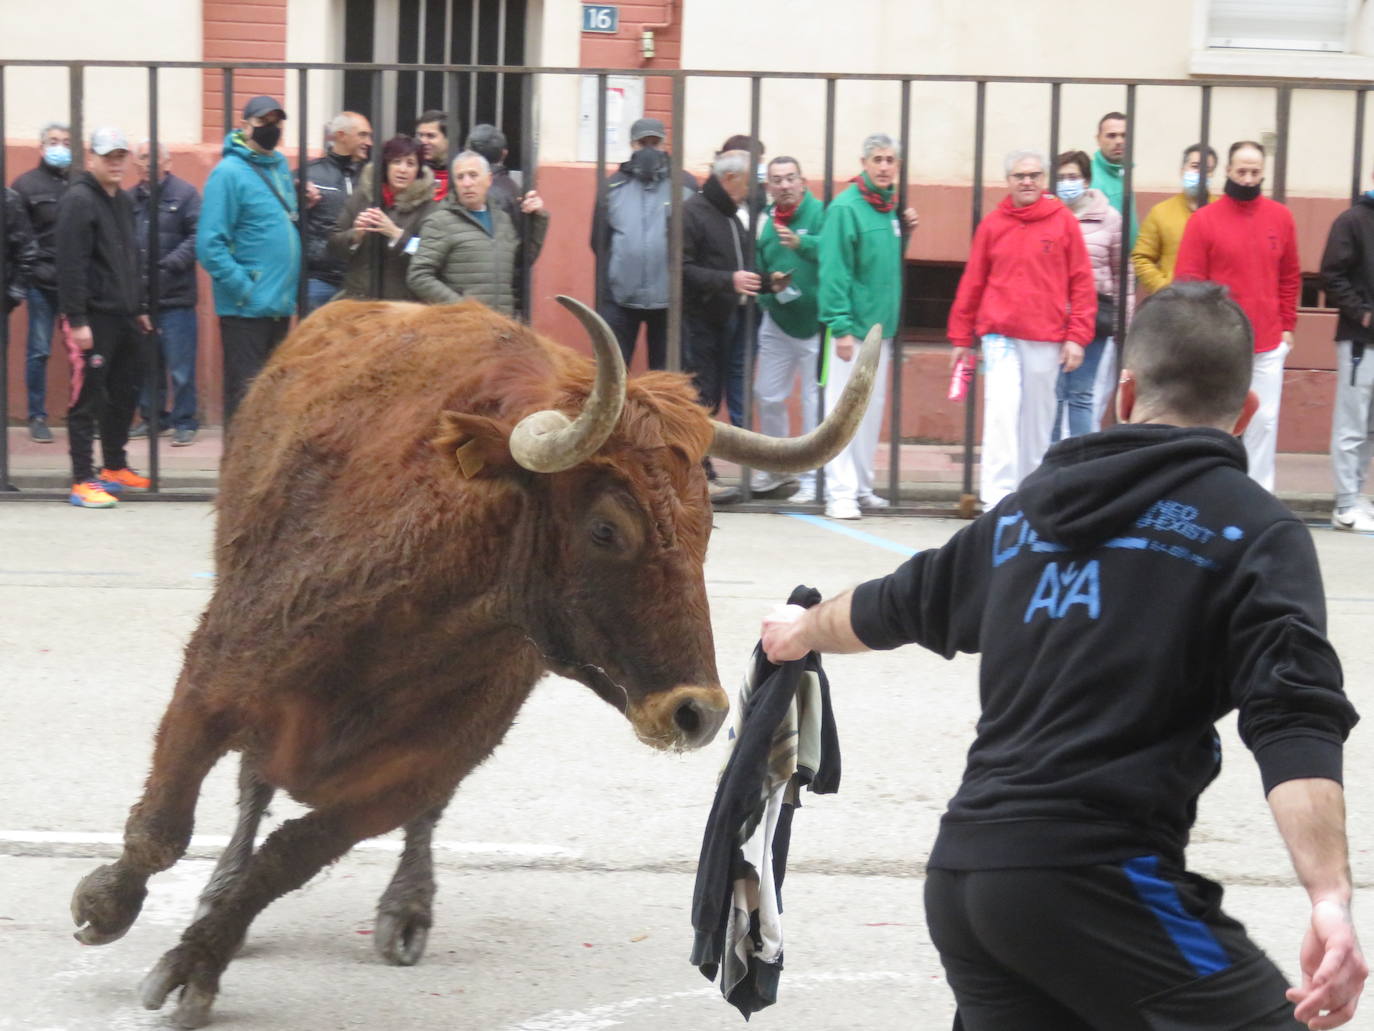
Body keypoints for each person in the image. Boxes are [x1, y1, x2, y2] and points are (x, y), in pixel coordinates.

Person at [760, 281, 1366, 1031]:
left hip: (965, 877)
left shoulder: (1021, 517)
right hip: (1098, 881)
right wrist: (1329, 900)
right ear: (1245, 414)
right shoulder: (1254, 532)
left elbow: (897, 603)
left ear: (1123, 393)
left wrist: (799, 629)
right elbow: (1294, 715)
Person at [946, 149, 1093, 509]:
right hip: (1000, 337)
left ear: (1044, 180)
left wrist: (1077, 336)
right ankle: (997, 498)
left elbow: (1082, 282)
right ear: (1008, 181)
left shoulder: (1064, 222)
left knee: (1038, 419)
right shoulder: (993, 224)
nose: (1027, 181)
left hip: (1045, 336)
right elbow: (973, 282)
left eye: (1033, 175)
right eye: (1019, 176)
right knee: (1001, 412)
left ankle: (1032, 493)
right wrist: (961, 338)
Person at [1174, 140, 1299, 493]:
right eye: (1241, 171)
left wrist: (1288, 325)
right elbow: (1188, 283)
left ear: (1263, 173)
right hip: (1218, 342)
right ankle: (1207, 493)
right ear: (1227, 171)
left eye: (1255, 172)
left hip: (1267, 342)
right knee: (1213, 423)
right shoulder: (1204, 220)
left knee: (1263, 423)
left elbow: (1290, 277)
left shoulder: (1281, 218)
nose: (1247, 178)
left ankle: (1258, 496)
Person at [817, 132, 918, 520]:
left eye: (890, 160)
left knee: (869, 413)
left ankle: (860, 486)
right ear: (863, 164)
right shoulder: (846, 208)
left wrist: (906, 231)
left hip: (880, 332)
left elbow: (883, 267)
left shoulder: (889, 210)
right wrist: (840, 326)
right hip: (852, 332)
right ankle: (839, 491)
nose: (884, 166)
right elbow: (835, 271)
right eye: (877, 159)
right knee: (842, 411)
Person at [55, 127, 154, 509]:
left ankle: (114, 466)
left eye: (121, 156)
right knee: (88, 397)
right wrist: (77, 319)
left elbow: (132, 259)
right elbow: (70, 264)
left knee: (124, 393)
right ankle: (82, 479)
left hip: (125, 315)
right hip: (92, 316)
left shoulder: (123, 202)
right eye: (108, 156)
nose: (116, 163)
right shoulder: (78, 200)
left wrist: (140, 307)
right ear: (92, 157)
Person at [197, 95, 300, 429]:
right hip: (246, 310)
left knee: (273, 402)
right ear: (245, 126)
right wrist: (246, 288)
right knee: (245, 403)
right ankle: (238, 475)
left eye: (276, 122)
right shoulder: (228, 173)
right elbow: (210, 245)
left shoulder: (280, 167)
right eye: (262, 122)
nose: (270, 128)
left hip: (280, 306)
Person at [590, 116, 695, 371]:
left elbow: (695, 238)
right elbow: (599, 241)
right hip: (621, 297)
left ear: (664, 143)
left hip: (670, 299)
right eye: (642, 143)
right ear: (632, 145)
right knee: (612, 374)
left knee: (667, 378)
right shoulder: (613, 186)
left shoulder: (685, 185)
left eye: (655, 142)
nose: (649, 148)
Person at [681, 148, 756, 496]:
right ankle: (699, 472)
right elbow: (682, 270)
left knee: (721, 396)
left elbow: (739, 269)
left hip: (732, 319)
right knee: (702, 397)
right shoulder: (693, 213)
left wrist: (768, 282)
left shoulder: (732, 216)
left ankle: (709, 468)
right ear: (729, 179)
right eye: (748, 177)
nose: (753, 185)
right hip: (699, 322)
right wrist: (728, 281)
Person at [751, 154, 825, 502]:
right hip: (777, 320)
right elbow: (756, 265)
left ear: (803, 181)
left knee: (814, 401)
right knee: (767, 393)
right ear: (768, 187)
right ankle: (774, 468)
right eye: (777, 180)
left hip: (816, 323)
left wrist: (803, 244)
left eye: (790, 178)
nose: (784, 185)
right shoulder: (763, 221)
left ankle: (813, 479)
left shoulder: (822, 213)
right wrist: (770, 288)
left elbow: (835, 253)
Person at [406, 150, 548, 315]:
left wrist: (538, 219)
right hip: (464, 329)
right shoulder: (440, 222)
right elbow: (418, 276)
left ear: (488, 180)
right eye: (460, 177)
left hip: (502, 326)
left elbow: (520, 263)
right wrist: (462, 308)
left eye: (473, 175)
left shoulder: (503, 219)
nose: (467, 183)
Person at [128, 140, 201, 447]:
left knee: (181, 366)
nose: (148, 162)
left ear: (168, 163)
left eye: (154, 157)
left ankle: (185, 421)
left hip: (176, 296)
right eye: (143, 158)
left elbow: (199, 236)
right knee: (147, 364)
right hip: (142, 297)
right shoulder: (128, 199)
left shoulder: (185, 195)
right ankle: (153, 418)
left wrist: (169, 264)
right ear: (136, 165)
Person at [1051, 150, 1121, 440]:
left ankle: (1079, 459)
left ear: (1087, 180)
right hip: (1053, 313)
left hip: (1093, 313)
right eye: (1062, 178)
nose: (1068, 183)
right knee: (1054, 392)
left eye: (1073, 177)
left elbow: (1121, 272)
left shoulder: (1109, 218)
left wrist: (1122, 318)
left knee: (1081, 392)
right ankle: (1051, 457)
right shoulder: (1047, 216)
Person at [1320, 167, 1374, 533]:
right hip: (1360, 341)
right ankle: (1345, 503)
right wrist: (1362, 312)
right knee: (1351, 425)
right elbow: (1331, 273)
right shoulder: (1352, 221)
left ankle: (1356, 495)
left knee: (1369, 429)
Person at [11, 121, 72, 442]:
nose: (59, 147)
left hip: (77, 284)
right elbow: (19, 236)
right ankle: (36, 416)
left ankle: (83, 415)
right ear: (41, 147)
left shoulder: (79, 183)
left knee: (84, 352)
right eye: (53, 141)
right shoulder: (25, 185)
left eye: (65, 141)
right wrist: (30, 272)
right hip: (41, 284)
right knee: (38, 351)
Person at [328, 135, 437, 301]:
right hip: (358, 300)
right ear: (386, 165)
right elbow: (332, 246)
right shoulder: (363, 196)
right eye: (396, 162)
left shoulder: (428, 206)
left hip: (402, 305)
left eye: (410, 163)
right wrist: (355, 235)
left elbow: (431, 255)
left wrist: (397, 234)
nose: (403, 169)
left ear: (418, 170)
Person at [301, 111, 373, 314]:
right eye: (363, 135)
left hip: (359, 281)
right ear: (341, 135)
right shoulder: (310, 174)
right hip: (319, 279)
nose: (368, 142)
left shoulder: (372, 176)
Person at [1132, 143, 1218, 296]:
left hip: (1212, 303)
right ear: (1182, 170)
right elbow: (1141, 257)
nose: (1201, 173)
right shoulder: (1161, 212)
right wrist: (1164, 289)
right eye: (1195, 166)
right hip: (1172, 303)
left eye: (1208, 170)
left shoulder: (1221, 212)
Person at [1091, 111, 1138, 246]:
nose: (1119, 141)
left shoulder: (1123, 172)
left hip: (1127, 261)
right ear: (1098, 139)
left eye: (1124, 135)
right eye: (1111, 136)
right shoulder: (1090, 176)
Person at [415, 110, 451, 201]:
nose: (423, 141)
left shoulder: (461, 173)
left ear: (448, 139)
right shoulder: (411, 171)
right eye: (420, 135)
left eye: (430, 136)